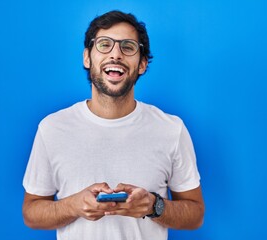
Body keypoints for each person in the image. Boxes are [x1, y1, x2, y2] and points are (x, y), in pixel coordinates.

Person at [22, 10, 204, 240]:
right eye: (104, 44)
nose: (115, 54)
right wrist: (73, 206)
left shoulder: (171, 129)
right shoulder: (52, 128)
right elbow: (31, 212)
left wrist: (153, 206)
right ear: (87, 57)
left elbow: (195, 214)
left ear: (142, 64)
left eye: (127, 47)